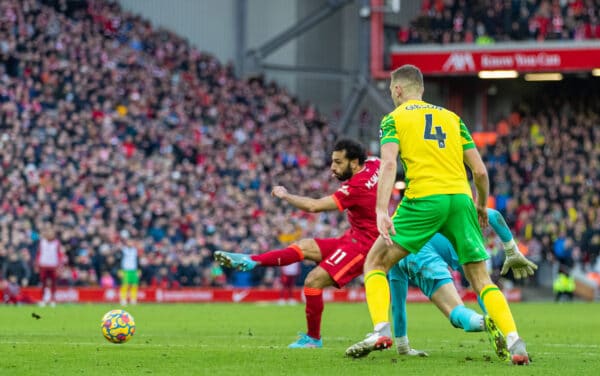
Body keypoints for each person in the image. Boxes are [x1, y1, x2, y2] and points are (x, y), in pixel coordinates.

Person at [345, 64, 536, 365]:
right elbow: (480, 172)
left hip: (424, 198)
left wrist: (382, 209)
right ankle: (515, 341)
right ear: (420, 89)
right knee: (481, 280)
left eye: (392, 90)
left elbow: (390, 164)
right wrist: (481, 205)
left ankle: (380, 331)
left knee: (375, 262)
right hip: (461, 199)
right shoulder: (452, 118)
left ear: (397, 89)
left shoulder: (392, 119)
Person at [215, 138, 380, 348]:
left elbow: (314, 206)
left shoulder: (355, 188)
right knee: (305, 246)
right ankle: (252, 260)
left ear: (355, 163)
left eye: (338, 162)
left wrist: (285, 195)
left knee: (312, 281)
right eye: (333, 161)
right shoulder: (375, 163)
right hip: (354, 236)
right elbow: (389, 166)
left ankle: (313, 339)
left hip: (364, 245)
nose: (333, 167)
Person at [391, 208, 533, 360]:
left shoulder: (394, 233)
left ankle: (484, 322)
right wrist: (512, 250)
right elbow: (494, 215)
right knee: (483, 284)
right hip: (454, 236)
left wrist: (402, 345)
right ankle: (507, 331)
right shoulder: (446, 201)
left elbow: (397, 303)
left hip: (417, 251)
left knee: (454, 309)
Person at [36, 227, 65, 307]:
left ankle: (53, 299)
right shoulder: (42, 242)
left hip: (53, 265)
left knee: (53, 283)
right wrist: (37, 263)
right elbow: (39, 253)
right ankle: (43, 299)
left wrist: (59, 265)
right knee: (43, 283)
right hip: (43, 264)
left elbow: (59, 254)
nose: (50, 235)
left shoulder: (56, 243)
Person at [118, 230, 140, 305]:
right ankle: (123, 299)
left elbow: (137, 261)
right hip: (126, 270)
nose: (130, 243)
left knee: (134, 286)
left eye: (131, 242)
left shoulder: (135, 251)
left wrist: (138, 270)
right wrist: (120, 270)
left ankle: (133, 300)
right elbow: (119, 260)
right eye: (129, 242)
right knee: (125, 285)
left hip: (134, 270)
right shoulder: (123, 250)